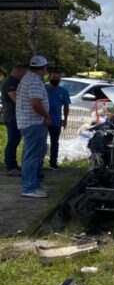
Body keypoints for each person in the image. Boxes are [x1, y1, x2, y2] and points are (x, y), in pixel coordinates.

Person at [16, 55, 51, 198]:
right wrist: (46, 116)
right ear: (43, 68)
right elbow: (36, 103)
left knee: (34, 155)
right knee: (32, 156)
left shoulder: (28, 78)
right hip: (34, 123)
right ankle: (30, 188)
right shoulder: (34, 81)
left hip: (29, 123)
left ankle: (34, 185)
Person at [1, 65, 25, 176]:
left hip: (16, 116)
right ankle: (11, 167)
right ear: (17, 72)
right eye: (23, 73)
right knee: (12, 141)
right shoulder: (9, 82)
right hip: (11, 116)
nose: (24, 76)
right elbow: (15, 98)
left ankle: (13, 165)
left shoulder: (15, 81)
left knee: (15, 141)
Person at [45, 71, 70, 170]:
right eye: (53, 77)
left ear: (60, 79)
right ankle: (39, 162)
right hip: (43, 121)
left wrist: (65, 119)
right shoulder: (43, 88)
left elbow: (66, 106)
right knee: (41, 142)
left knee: (54, 142)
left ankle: (53, 163)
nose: (55, 79)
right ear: (49, 77)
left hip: (56, 121)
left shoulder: (63, 91)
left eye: (57, 78)